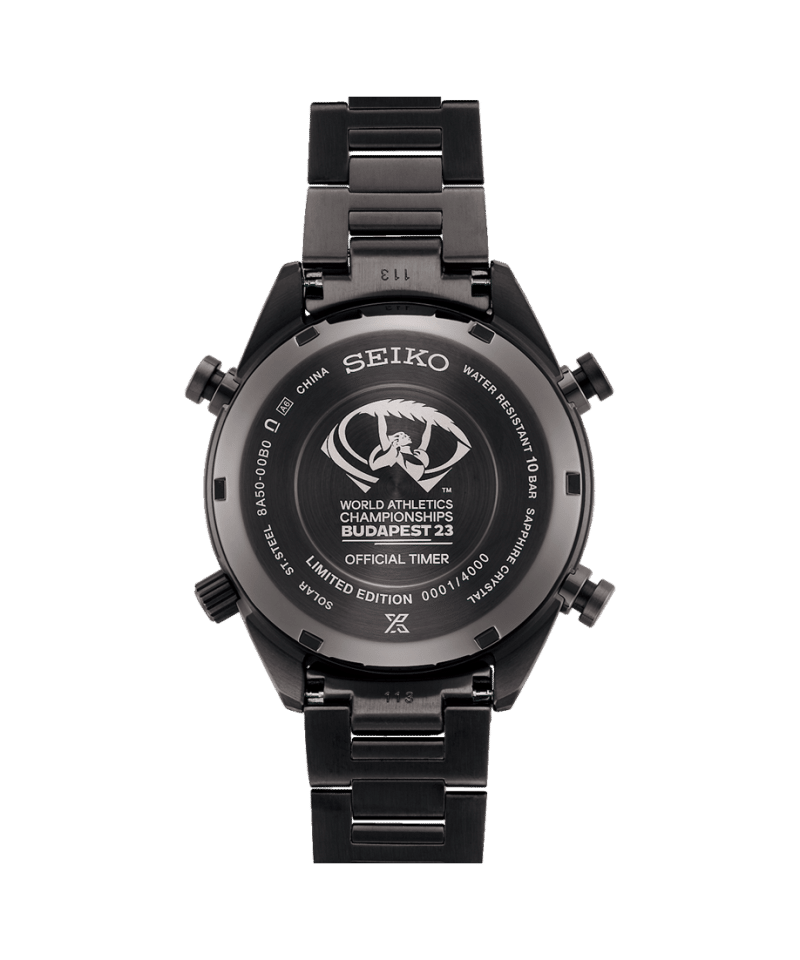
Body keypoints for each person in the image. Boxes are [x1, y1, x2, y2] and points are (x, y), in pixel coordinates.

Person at [368, 410, 433, 481]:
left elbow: (425, 440)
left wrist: (429, 423)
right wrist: (380, 414)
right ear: (396, 443)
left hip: (410, 485)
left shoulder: (417, 455)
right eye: (404, 437)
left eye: (406, 435)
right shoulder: (394, 454)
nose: (408, 436)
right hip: (398, 483)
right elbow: (382, 432)